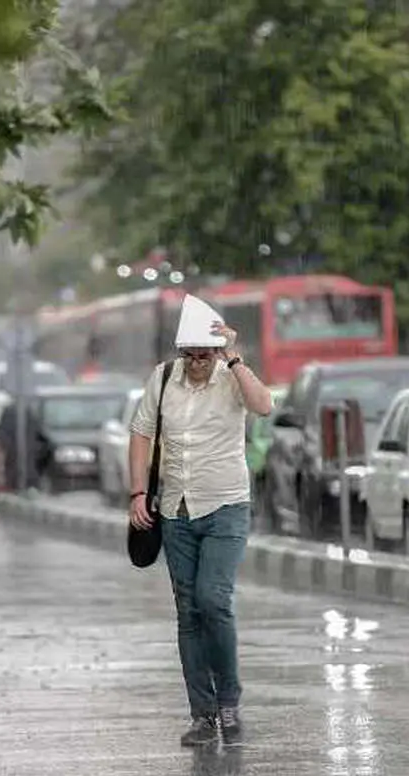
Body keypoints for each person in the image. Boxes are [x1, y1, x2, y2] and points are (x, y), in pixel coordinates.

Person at [129, 295, 273, 748]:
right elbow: (141, 433)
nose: (195, 363)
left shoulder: (231, 378)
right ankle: (202, 714)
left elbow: (264, 406)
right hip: (175, 510)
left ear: (215, 352)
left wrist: (233, 357)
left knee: (214, 601)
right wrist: (137, 493)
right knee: (188, 611)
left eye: (202, 354)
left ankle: (229, 701)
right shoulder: (163, 377)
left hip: (225, 505)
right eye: (188, 354)